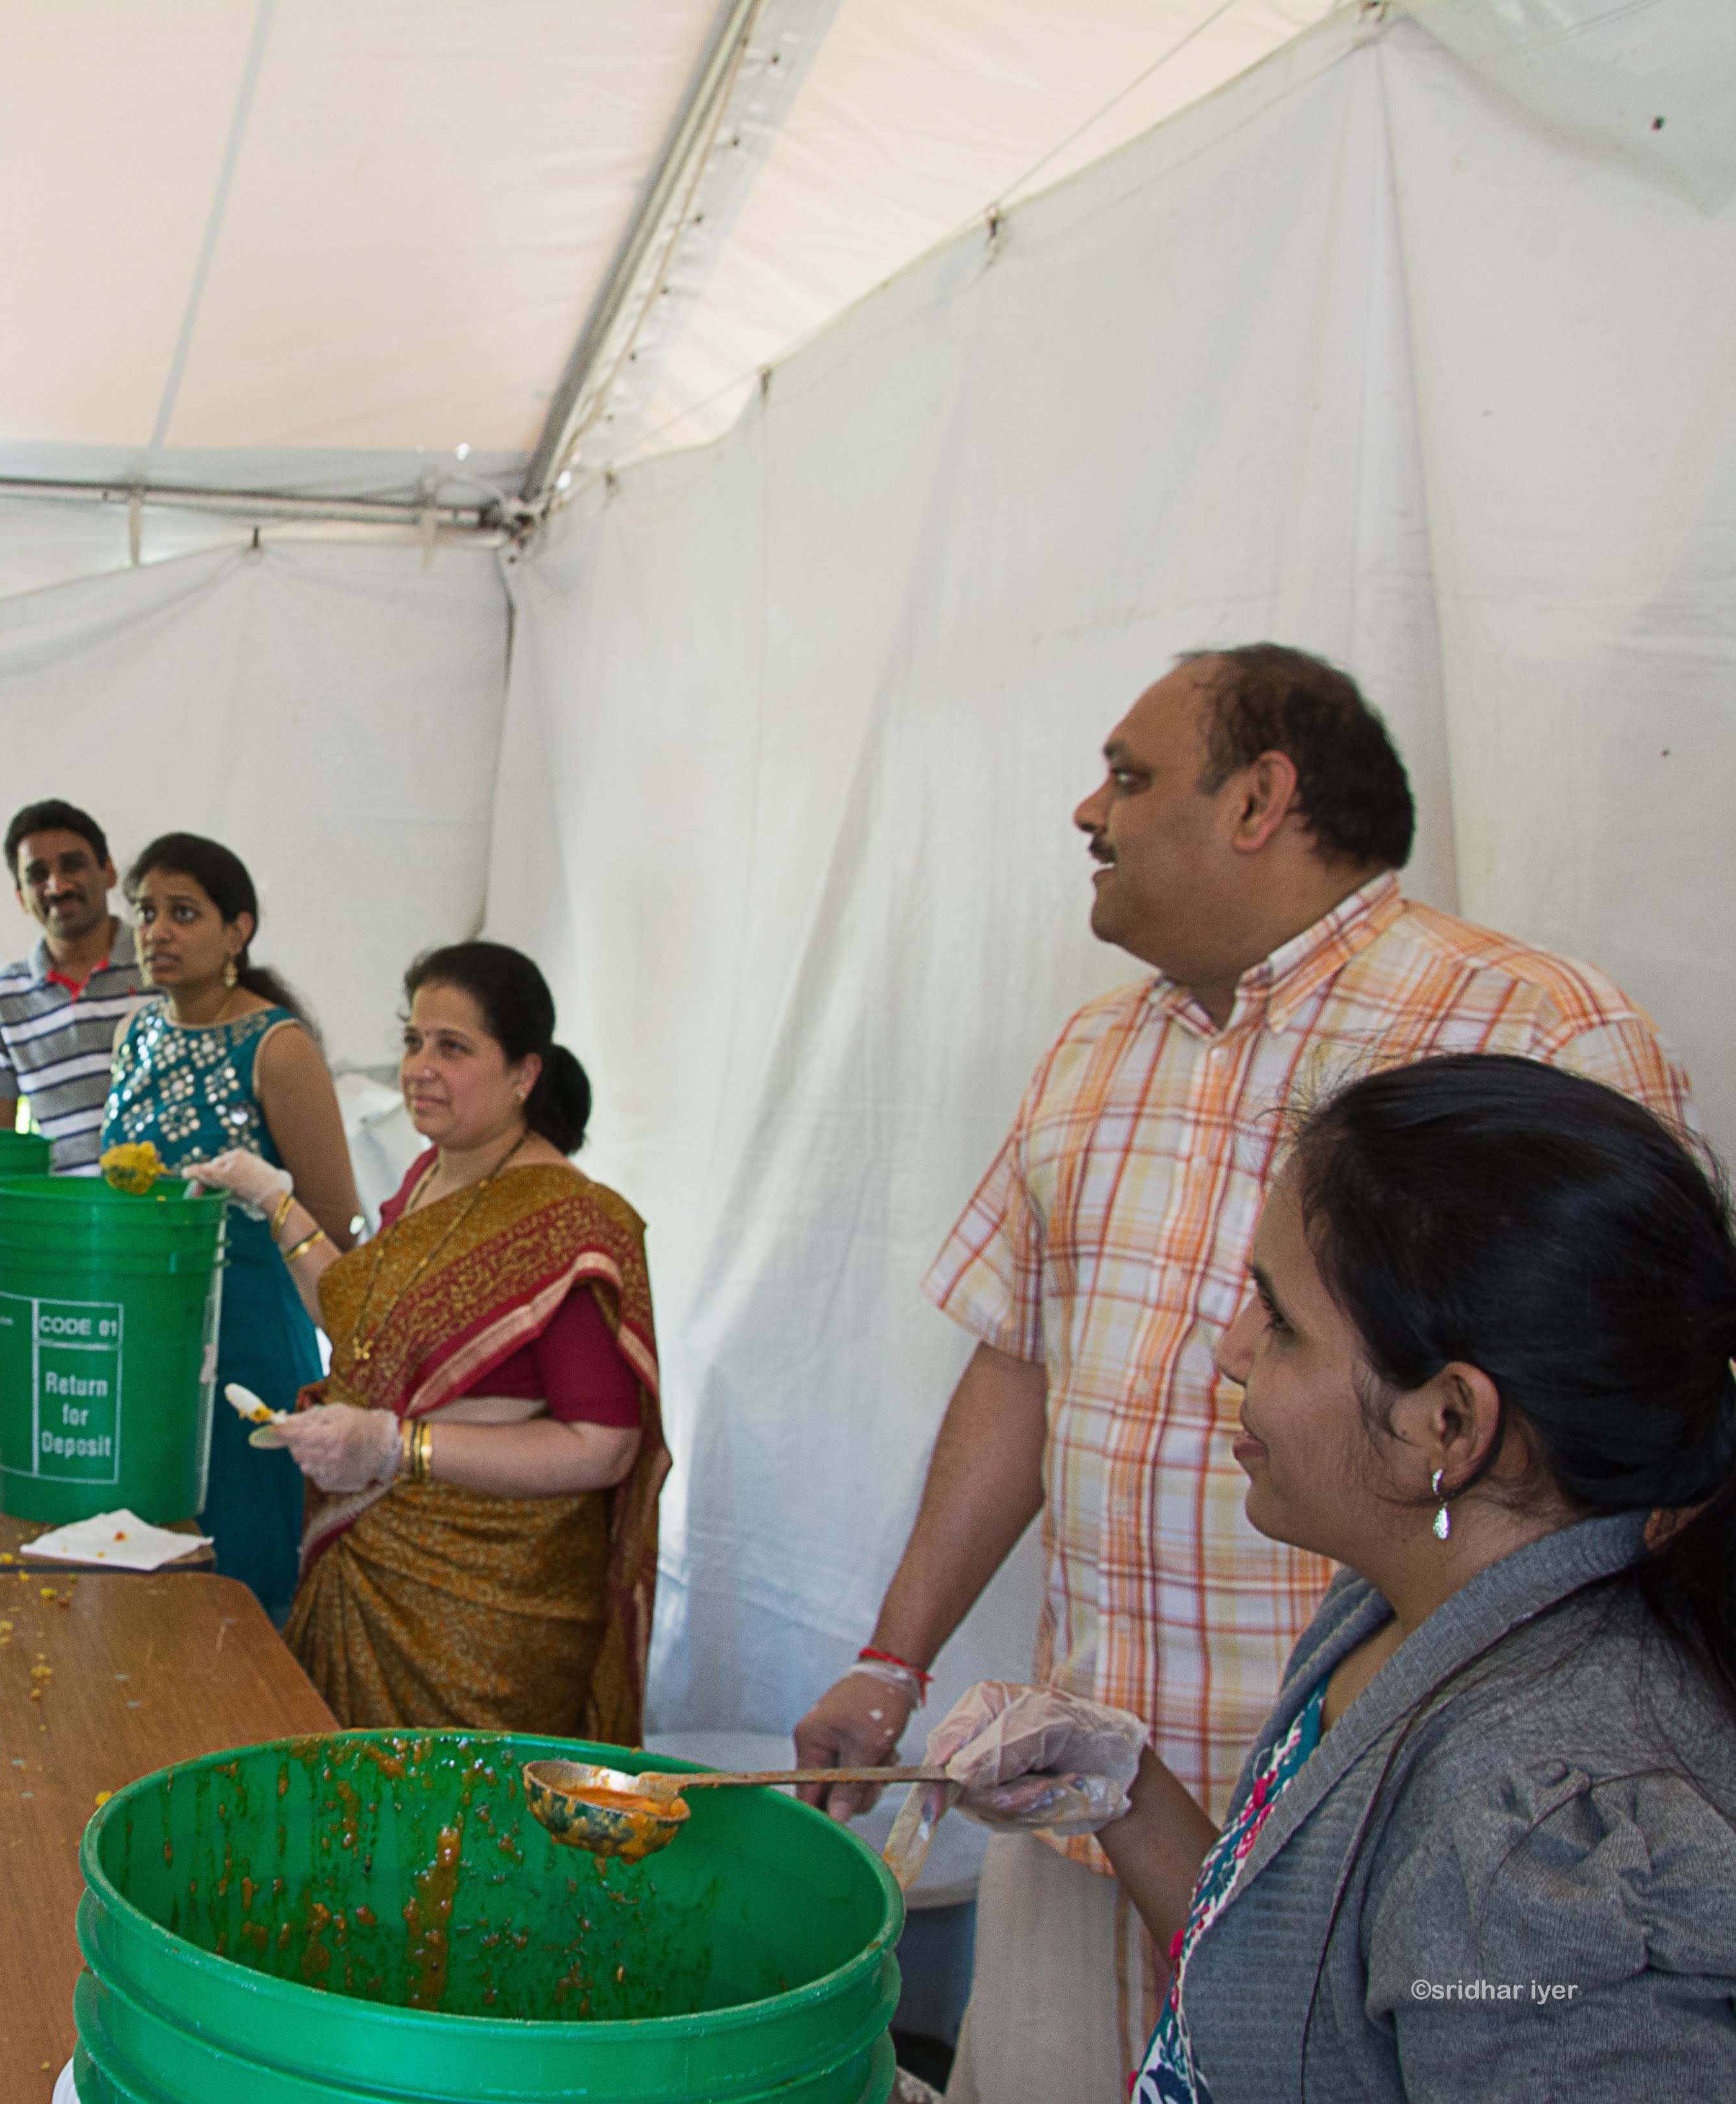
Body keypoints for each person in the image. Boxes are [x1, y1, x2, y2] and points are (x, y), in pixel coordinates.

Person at [789, 645, 1702, 2103]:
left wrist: (1590, 1768)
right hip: (1102, 1803)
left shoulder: (1533, 1027)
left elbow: (1645, 1400)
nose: (1085, 810)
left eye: (1127, 774)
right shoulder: (1088, 1052)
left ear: (1258, 800)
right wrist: (896, 1662)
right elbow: (1017, 1365)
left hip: (1392, 1816)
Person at [931, 1055, 1736, 2098]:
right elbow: (1307, 2004)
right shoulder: (1398, 1606)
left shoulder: (1536, 1863)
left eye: (1278, 1322)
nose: (1229, 1351)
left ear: (1446, 1424)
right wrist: (1123, 1792)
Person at [192, 942, 664, 1739]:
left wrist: (394, 1446)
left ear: (523, 1072)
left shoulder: (570, 1224)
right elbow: (357, 1327)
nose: (418, 1068)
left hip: (485, 1618)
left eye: (452, 1047)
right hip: (370, 1563)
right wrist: (275, 1202)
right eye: (413, 1041)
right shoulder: (425, 1179)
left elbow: (603, 1445)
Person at [97, 833, 362, 1619]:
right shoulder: (134, 1034)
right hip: (145, 1337)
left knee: (241, 1574)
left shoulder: (278, 1048)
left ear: (237, 930)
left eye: (183, 913)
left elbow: (336, 1223)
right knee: (141, 1568)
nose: (156, 931)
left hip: (249, 1340)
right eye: (145, 912)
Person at [0, 798, 153, 1172]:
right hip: (65, 1206)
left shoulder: (161, 966)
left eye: (73, 865)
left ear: (108, 872)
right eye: (37, 875)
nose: (57, 886)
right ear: (21, 898)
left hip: (172, 1201)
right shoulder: (4, 1000)